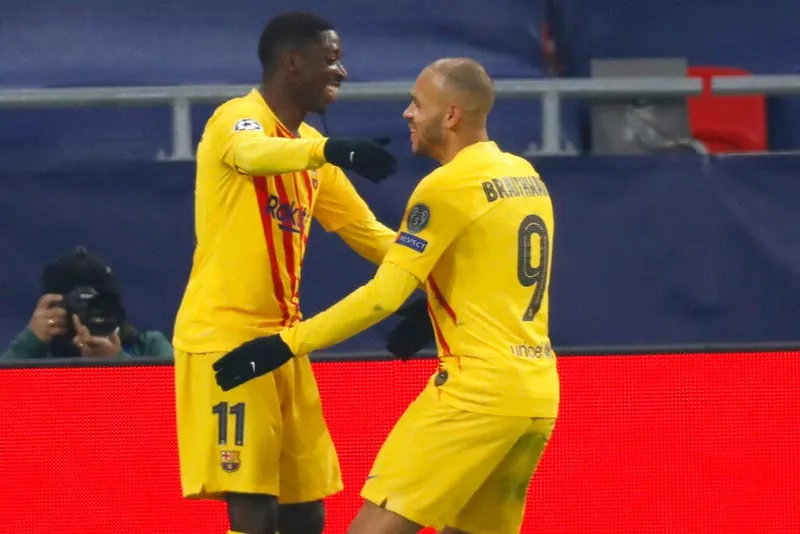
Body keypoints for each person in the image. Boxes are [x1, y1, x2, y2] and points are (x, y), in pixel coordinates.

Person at [213, 57, 560, 534]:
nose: (407, 113)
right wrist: (434, 308)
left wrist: (285, 344)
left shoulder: (446, 185)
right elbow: (488, 276)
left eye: (417, 104)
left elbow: (383, 296)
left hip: (474, 395)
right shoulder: (526, 177)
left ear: (451, 115)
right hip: (536, 396)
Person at [171, 11, 401, 534]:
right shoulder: (238, 118)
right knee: (254, 504)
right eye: (332, 59)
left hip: (284, 344)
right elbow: (252, 154)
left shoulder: (311, 155)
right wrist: (329, 149)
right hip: (225, 338)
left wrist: (441, 267)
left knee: (306, 510)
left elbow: (370, 234)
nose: (342, 71)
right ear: (293, 62)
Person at [1, 246, 172, 359]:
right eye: (75, 305)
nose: (85, 314)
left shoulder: (148, 347)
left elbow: (177, 398)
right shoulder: (36, 353)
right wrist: (29, 345)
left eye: (97, 305)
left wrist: (117, 363)